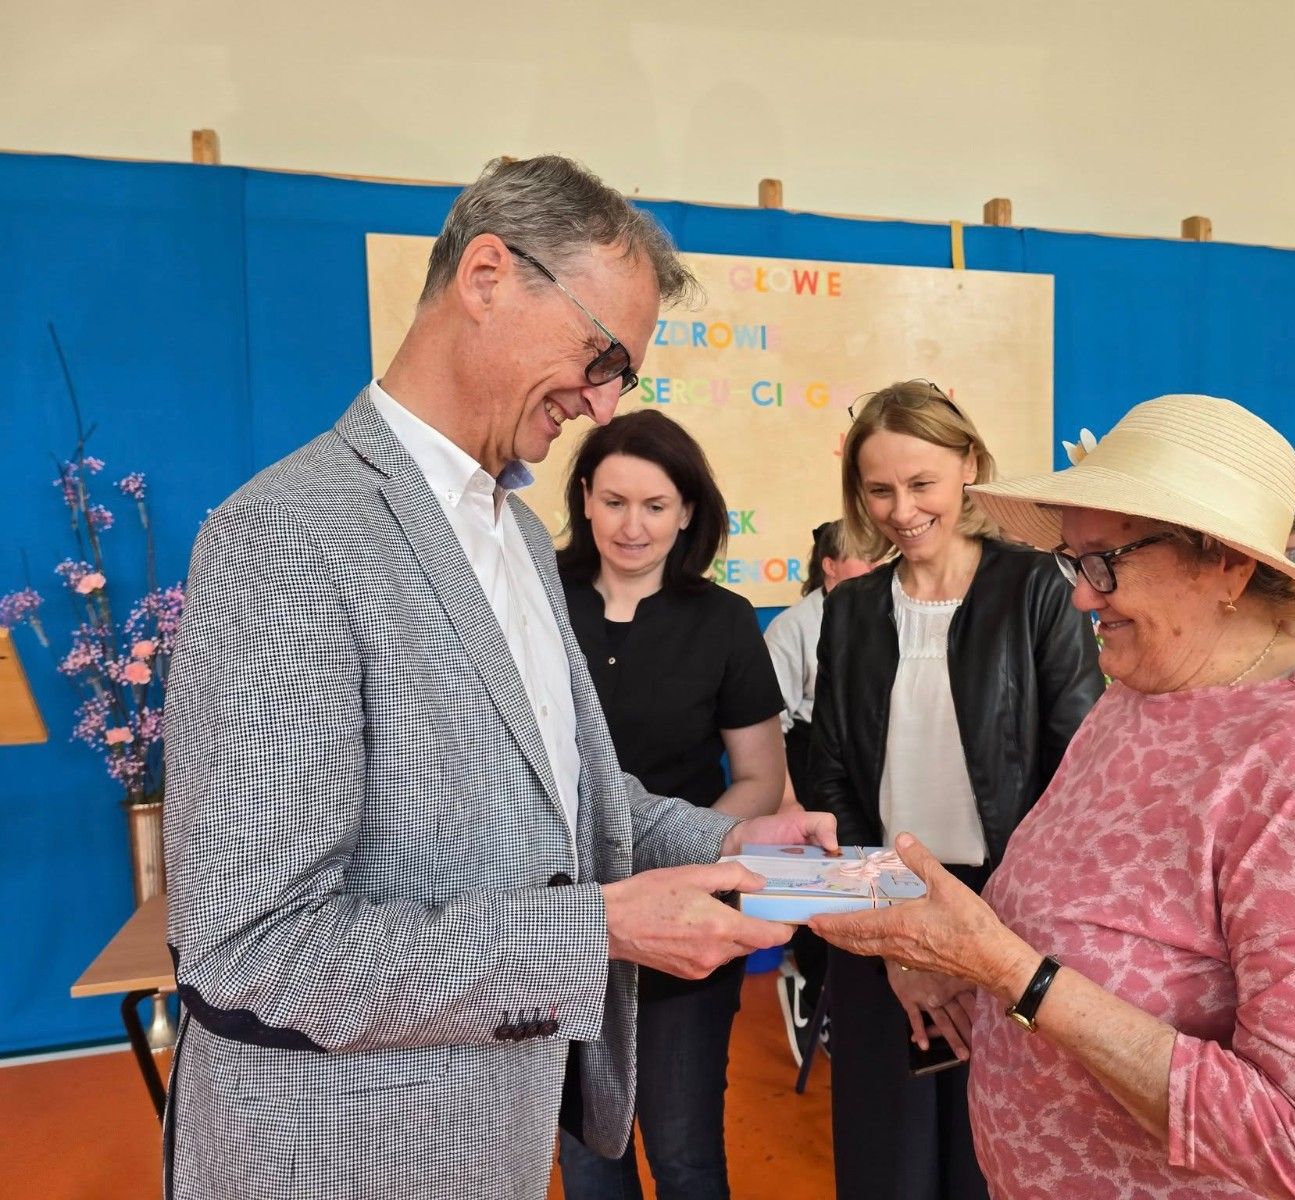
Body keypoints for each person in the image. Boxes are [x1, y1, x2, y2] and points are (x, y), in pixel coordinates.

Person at [161, 155, 834, 1200]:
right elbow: (254, 947)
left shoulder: (516, 530)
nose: (605, 405)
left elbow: (565, 802)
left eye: (624, 374)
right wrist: (603, 927)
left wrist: (731, 840)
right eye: (599, 354)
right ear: (486, 276)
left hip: (497, 1139)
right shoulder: (286, 538)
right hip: (345, 1155)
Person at [811, 393, 1295, 1199]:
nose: (1079, 596)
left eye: (1104, 562)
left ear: (1228, 565)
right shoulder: (1142, 692)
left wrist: (1014, 975)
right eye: (1073, 562)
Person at [809, 380, 1104, 1200]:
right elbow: (828, 773)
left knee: (993, 1163)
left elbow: (1073, 778)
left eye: (922, 484)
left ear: (968, 466)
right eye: (880, 490)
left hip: (1008, 918)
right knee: (885, 1167)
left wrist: (982, 944)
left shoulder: (1038, 588)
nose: (902, 510)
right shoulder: (854, 609)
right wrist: (902, 940)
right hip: (882, 908)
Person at [555, 409, 786, 1199]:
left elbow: (759, 777)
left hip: (688, 918)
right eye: (615, 501)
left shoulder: (722, 620)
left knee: (686, 1153)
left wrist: (697, 866)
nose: (632, 525)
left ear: (687, 511)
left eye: (656, 506)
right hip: (563, 916)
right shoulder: (532, 600)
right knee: (590, 1155)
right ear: (585, 497)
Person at [764, 519, 873, 1064]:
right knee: (823, 883)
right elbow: (770, 724)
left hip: (869, 758)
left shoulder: (884, 612)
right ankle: (806, 981)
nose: (876, 566)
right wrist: (789, 798)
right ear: (830, 566)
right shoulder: (793, 628)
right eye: (863, 557)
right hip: (809, 760)